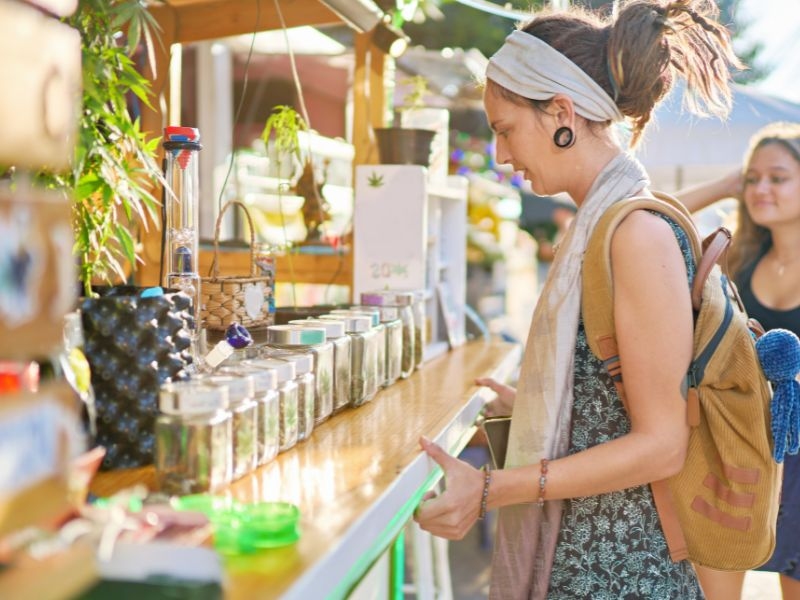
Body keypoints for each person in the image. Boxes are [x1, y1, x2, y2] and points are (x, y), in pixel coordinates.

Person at [412, 1, 742, 598]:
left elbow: (663, 445)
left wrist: (492, 490)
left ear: (561, 113)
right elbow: (625, 396)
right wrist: (541, 403)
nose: (501, 156)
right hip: (593, 559)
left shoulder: (634, 234)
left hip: (621, 573)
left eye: (505, 129)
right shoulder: (601, 222)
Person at [676, 122, 800, 600]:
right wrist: (728, 184)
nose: (761, 188)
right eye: (752, 178)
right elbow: (650, 217)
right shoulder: (738, 261)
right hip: (735, 449)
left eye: (778, 177)